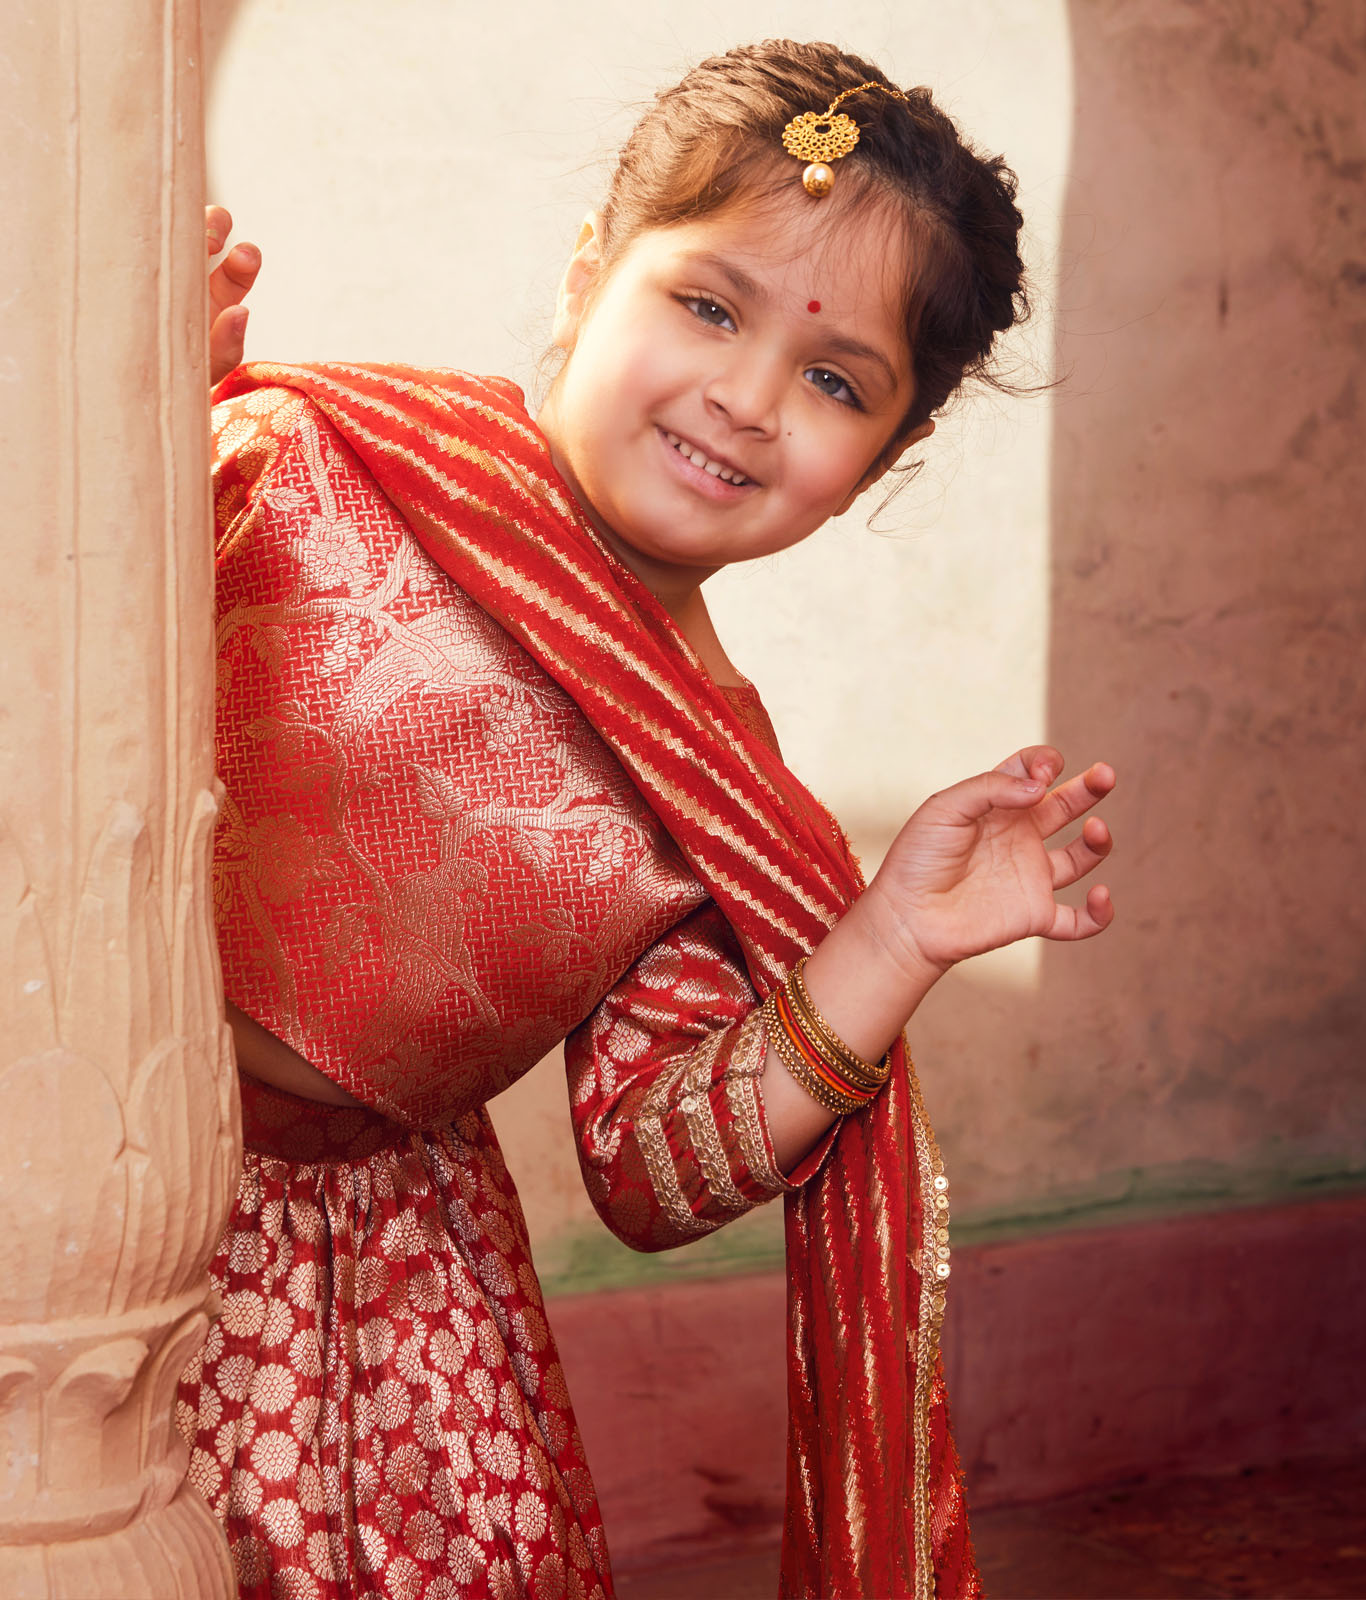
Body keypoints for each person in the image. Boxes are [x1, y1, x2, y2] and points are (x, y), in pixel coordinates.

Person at [182, 39, 1115, 1600]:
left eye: (834, 383)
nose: (747, 399)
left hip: (378, 1298)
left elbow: (651, 1165)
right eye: (706, 304)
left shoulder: (717, 793)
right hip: (72, 1157)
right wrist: (125, 431)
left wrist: (889, 940)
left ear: (886, 456)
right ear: (584, 279)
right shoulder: (309, 458)